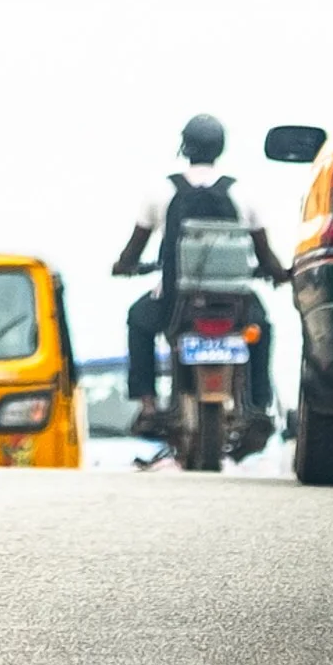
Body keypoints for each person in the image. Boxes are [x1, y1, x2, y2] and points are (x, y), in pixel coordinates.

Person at [109, 114, 287, 438]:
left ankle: (148, 404)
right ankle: (259, 402)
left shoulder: (160, 190)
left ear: (185, 146)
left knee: (138, 320)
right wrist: (280, 274)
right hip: (234, 304)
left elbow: (134, 248)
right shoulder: (243, 192)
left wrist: (123, 266)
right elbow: (265, 253)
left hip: (175, 302)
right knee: (262, 328)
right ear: (220, 147)